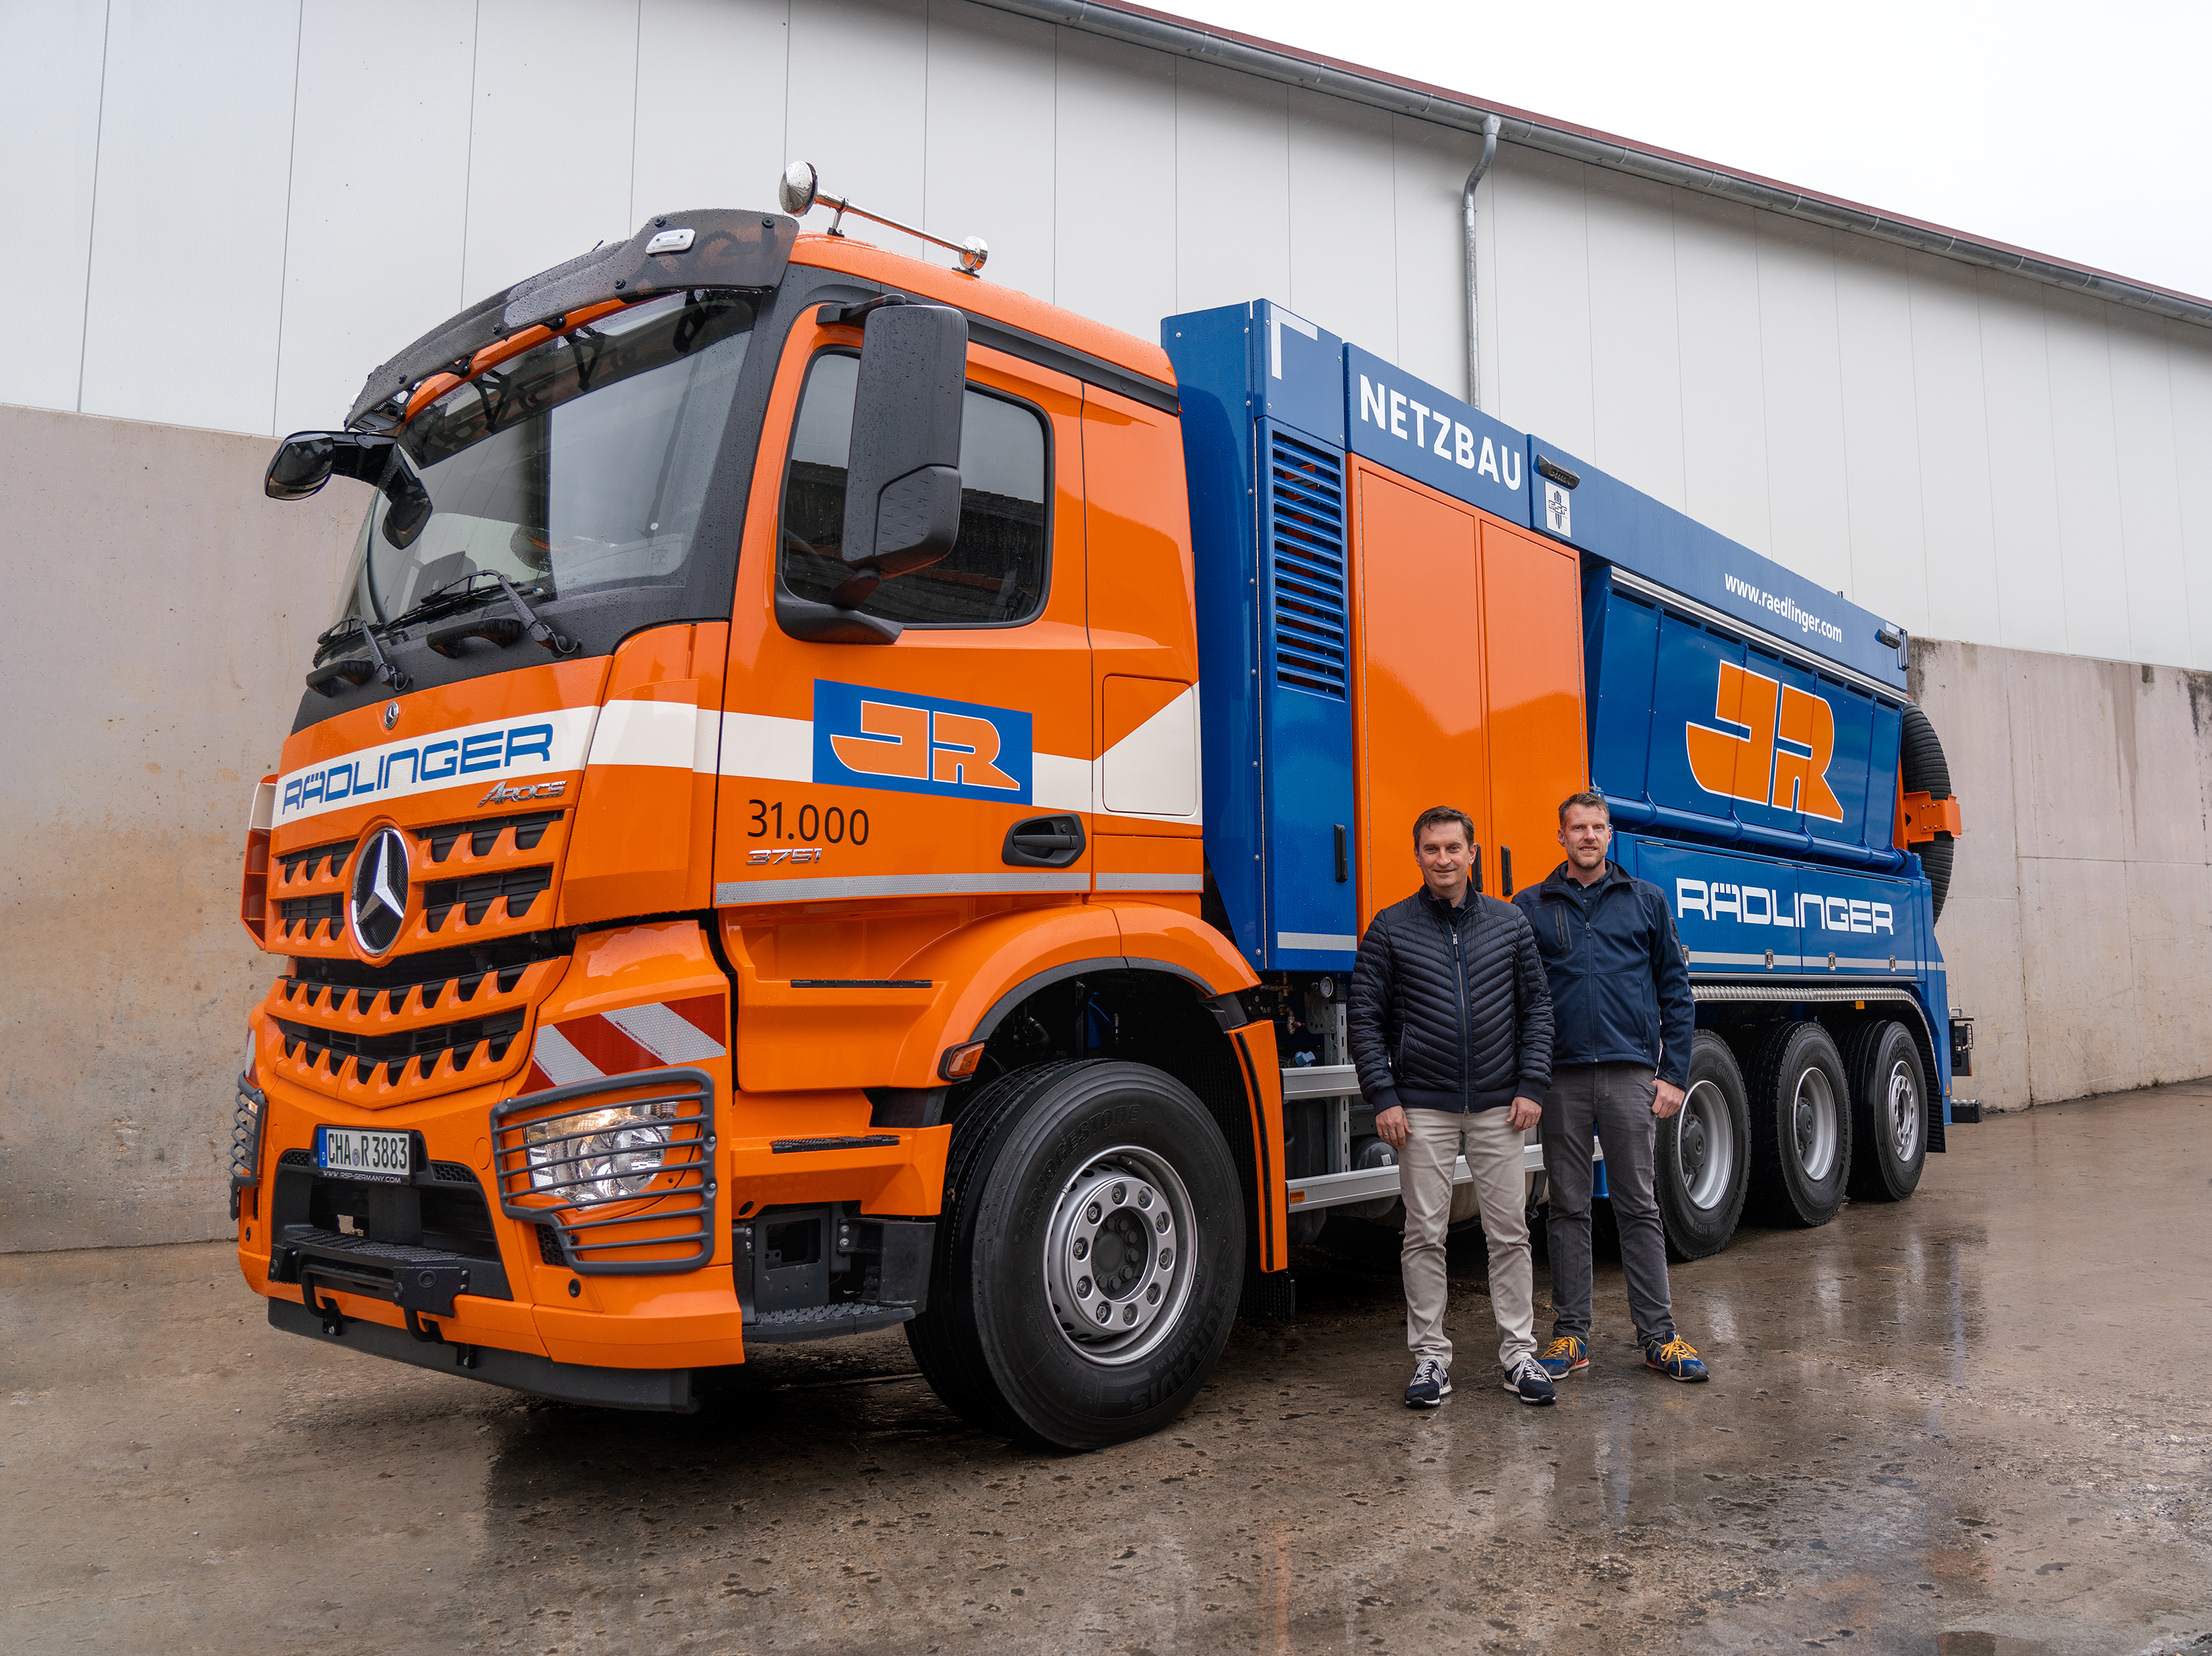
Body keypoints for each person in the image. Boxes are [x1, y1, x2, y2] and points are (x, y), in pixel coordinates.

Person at [1350, 806, 1558, 1409]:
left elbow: (1538, 1011)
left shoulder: (1510, 924)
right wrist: (1384, 1096)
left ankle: (1519, 1355)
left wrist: (1532, 1085)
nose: (1443, 859)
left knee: (1510, 1234)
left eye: (1452, 848)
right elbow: (1364, 1020)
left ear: (1473, 853)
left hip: (1501, 1107)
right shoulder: (1390, 928)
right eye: (1431, 849)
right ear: (1417, 856)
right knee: (1423, 1235)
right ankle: (1431, 1361)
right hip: (1423, 1110)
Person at [1512, 791, 1710, 1384]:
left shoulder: (1645, 901)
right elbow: (1520, 999)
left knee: (1638, 1206)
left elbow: (1676, 993)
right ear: (1561, 836)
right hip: (1562, 1079)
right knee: (1567, 1208)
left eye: (1598, 827)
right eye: (1578, 828)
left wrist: (1674, 1073)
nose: (1589, 837)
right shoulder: (1532, 906)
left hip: (1630, 1075)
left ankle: (1659, 1336)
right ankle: (1571, 1337)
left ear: (1610, 834)